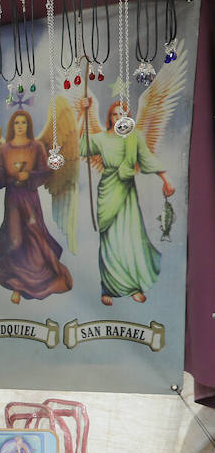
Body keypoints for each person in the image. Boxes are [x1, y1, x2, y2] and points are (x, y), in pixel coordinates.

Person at [76, 97, 176, 305]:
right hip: (108, 191)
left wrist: (165, 179)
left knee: (130, 239)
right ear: (110, 118)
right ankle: (108, 288)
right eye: (115, 114)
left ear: (128, 118)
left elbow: (147, 159)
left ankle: (132, 287)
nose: (118, 117)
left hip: (127, 193)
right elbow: (80, 147)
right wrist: (82, 114)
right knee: (110, 242)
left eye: (123, 114)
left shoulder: (134, 137)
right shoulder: (101, 138)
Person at [0, 110, 73, 303]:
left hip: (30, 199)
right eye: (16, 122)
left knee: (34, 242)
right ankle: (14, 280)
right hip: (13, 201)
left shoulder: (36, 147)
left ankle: (18, 286)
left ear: (28, 125)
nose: (20, 125)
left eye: (23, 122)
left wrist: (29, 176)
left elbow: (46, 171)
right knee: (14, 242)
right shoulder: (4, 150)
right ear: (12, 125)